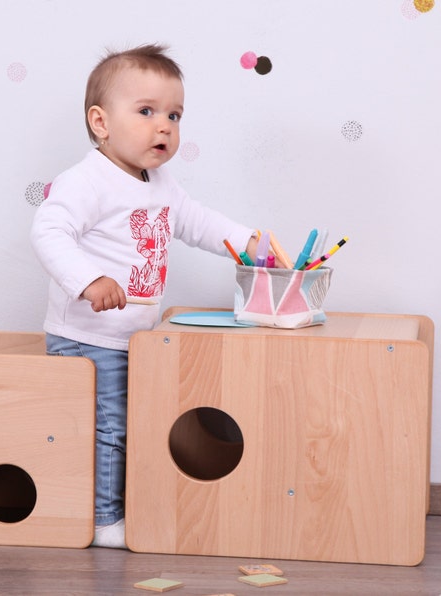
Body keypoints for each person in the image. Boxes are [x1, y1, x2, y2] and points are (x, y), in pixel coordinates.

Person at [30, 43, 258, 549]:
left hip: (134, 337)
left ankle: (124, 504)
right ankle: (103, 520)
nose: (165, 127)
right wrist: (88, 281)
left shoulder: (159, 181)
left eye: (174, 115)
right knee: (111, 429)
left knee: (140, 424)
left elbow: (196, 221)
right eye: (147, 112)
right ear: (101, 122)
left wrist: (246, 243)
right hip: (88, 337)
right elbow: (49, 231)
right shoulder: (87, 180)